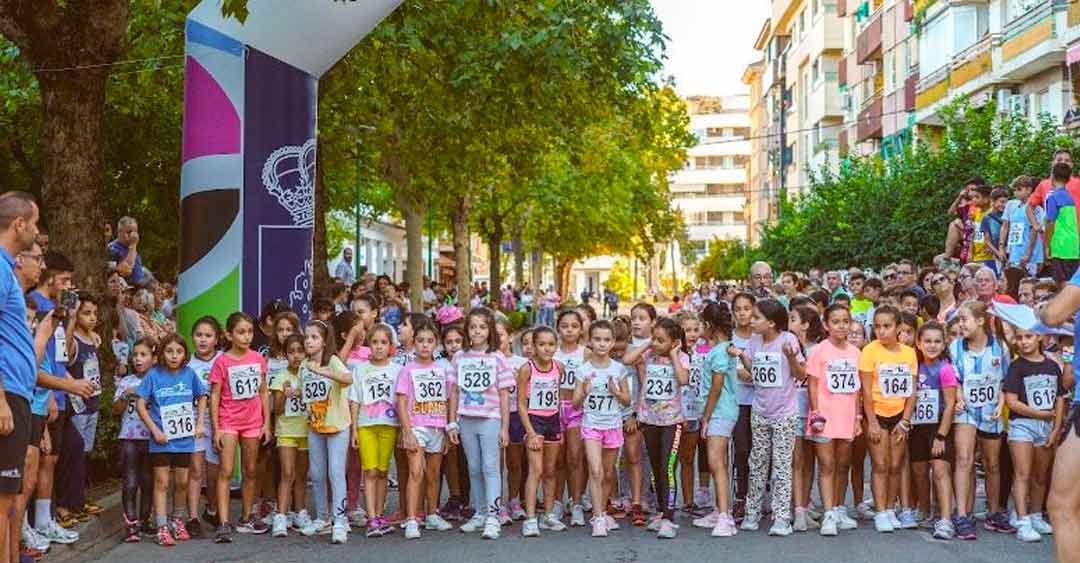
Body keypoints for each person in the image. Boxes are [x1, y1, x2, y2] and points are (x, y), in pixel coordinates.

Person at [734, 299, 805, 537]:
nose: (751, 321)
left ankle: (782, 516)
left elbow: (801, 374)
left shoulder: (788, 340)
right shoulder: (754, 341)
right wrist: (742, 358)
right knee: (757, 463)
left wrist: (792, 358)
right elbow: (754, 371)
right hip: (760, 410)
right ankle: (752, 511)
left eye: (756, 317)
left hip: (784, 413)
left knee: (782, 466)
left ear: (772, 322)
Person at [135, 334, 208, 546]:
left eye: (179, 351)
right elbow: (141, 404)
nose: (174, 356)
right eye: (169, 351)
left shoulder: (189, 374)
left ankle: (177, 520)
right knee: (162, 482)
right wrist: (154, 429)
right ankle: (161, 526)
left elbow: (202, 395)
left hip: (184, 438)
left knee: (182, 482)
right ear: (162, 353)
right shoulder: (153, 375)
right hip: (161, 439)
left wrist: (200, 423)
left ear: (185, 354)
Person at [950, 300, 1013, 539]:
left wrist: (1001, 402)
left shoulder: (1000, 348)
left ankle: (994, 512)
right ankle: (963, 515)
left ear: (980, 321)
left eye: (964, 319)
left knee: (992, 463)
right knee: (964, 459)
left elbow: (1007, 379)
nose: (960, 324)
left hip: (991, 410)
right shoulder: (955, 347)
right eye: (958, 320)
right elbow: (954, 378)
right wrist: (957, 397)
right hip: (966, 410)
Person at [0, 191, 40, 563]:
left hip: (17, 394)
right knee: (2, 503)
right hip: (7, 395)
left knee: (10, 500)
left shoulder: (6, 267)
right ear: (20, 224)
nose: (38, 231)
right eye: (36, 222)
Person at [449, 307, 513, 539]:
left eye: (482, 327)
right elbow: (454, 391)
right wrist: (451, 422)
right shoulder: (459, 357)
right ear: (467, 330)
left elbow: (505, 394)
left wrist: (505, 427)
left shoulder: (497, 357)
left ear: (489, 331)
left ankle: (494, 516)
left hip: (490, 418)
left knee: (490, 467)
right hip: (466, 418)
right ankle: (480, 512)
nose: (477, 331)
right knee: (473, 467)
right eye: (473, 327)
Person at [209, 312, 271, 542]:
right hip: (228, 421)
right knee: (225, 471)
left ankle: (246, 517)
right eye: (241, 332)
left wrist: (267, 423)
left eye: (249, 332)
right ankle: (224, 523)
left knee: (251, 471)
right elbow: (215, 396)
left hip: (253, 422)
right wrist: (216, 428)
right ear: (229, 334)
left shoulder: (257, 358)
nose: (246, 337)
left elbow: (263, 391)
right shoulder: (222, 361)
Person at [859, 305, 917, 533]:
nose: (881, 331)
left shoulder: (908, 353)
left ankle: (891, 508)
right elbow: (865, 390)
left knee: (895, 465)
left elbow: (912, 391)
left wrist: (905, 420)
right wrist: (871, 421)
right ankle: (881, 511)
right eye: (877, 327)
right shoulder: (869, 351)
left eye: (887, 326)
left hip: (899, 415)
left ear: (898, 327)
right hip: (877, 414)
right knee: (880, 464)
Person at [804, 304, 861, 536]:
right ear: (826, 325)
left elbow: (857, 389)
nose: (841, 325)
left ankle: (838, 508)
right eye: (835, 321)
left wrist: (858, 416)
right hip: (824, 415)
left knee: (843, 464)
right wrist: (816, 412)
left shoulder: (856, 353)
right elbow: (813, 383)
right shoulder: (820, 350)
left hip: (847, 414)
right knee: (827, 465)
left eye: (845, 321)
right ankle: (828, 512)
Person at [1004, 327, 1064, 542]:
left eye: (1028, 336)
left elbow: (1059, 399)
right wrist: (1037, 413)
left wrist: (1056, 428)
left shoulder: (1052, 366)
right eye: (1019, 338)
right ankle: (1023, 520)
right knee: (1023, 473)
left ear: (1039, 337)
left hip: (1046, 426)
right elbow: (1011, 401)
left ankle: (1037, 514)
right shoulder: (1016, 367)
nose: (1023, 342)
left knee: (1041, 476)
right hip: (1022, 424)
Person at [396, 318, 452, 540]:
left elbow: (448, 400)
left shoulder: (442, 370)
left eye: (430, 341)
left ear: (436, 344)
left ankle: (432, 513)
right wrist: (407, 431)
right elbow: (401, 402)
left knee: (433, 474)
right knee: (415, 472)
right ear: (414, 342)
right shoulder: (407, 370)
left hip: (437, 426)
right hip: (416, 426)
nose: (425, 345)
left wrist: (448, 429)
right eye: (420, 341)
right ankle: (411, 518)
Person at [695, 302, 740, 537]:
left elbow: (717, 386)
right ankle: (718, 509)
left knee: (716, 462)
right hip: (718, 411)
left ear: (709, 325)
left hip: (721, 411)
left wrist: (706, 416)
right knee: (716, 462)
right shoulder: (719, 349)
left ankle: (725, 516)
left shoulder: (721, 351)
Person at [267, 334, 309, 538]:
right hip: (286, 432)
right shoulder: (280, 376)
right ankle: (281, 516)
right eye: (291, 352)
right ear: (285, 355)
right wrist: (284, 394)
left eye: (300, 351)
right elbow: (277, 409)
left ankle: (300, 512)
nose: (296, 356)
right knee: (287, 473)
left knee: (301, 476)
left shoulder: (310, 374)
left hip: (307, 432)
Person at [1001, 176, 1045, 294]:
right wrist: (1003, 248)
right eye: (1014, 190)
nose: (1016, 193)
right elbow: (1006, 226)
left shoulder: (1036, 209)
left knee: (1028, 285)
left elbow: (1034, 230)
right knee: (1012, 285)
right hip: (1015, 251)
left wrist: (1028, 253)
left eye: (1019, 189)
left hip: (1030, 253)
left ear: (1029, 190)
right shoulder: (1012, 205)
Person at [1044, 162, 1079, 284]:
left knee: (1060, 284)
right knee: (1073, 284)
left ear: (1052, 176)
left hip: (1059, 246)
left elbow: (1050, 222)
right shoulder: (1070, 197)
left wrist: (1047, 245)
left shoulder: (1053, 197)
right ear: (1069, 178)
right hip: (1074, 246)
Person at [108, 216, 147, 287]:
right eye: (129, 232)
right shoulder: (112, 248)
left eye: (135, 232)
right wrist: (133, 244)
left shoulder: (131, 249)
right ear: (119, 232)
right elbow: (126, 270)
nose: (133, 236)